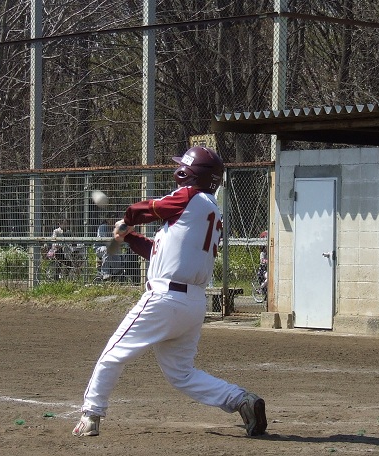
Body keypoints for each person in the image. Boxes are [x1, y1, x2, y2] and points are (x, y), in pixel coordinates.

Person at [73, 146, 267, 438]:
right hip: (192, 303)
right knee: (182, 374)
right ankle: (241, 400)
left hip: (164, 299)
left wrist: (127, 219)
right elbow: (158, 252)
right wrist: (130, 237)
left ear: (190, 173)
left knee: (112, 354)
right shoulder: (206, 209)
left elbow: (148, 208)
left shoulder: (190, 197)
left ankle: (91, 415)